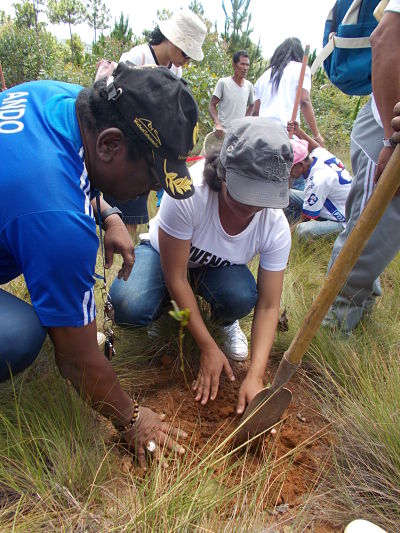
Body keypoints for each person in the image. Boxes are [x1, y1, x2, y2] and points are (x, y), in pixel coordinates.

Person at [0, 62, 199, 466]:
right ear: (109, 145)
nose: (149, 195)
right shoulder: (60, 225)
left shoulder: (60, 98)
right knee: (18, 335)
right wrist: (131, 417)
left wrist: (107, 214)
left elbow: (70, 168)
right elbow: (75, 360)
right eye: (150, 180)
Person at [109, 117, 292, 415]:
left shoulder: (275, 225)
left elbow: (270, 305)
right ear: (223, 171)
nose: (250, 209)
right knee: (127, 305)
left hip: (215, 271)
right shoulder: (187, 193)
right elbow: (176, 275)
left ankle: (223, 323)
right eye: (242, 193)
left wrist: (256, 376)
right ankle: (166, 313)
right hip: (164, 258)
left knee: (242, 296)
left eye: (261, 199)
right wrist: (207, 347)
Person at [323, 1, 400, 333]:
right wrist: (390, 140)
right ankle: (332, 327)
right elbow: (385, 37)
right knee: (366, 232)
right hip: (390, 127)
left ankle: (361, 304)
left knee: (375, 231)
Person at [104, 9, 207, 235]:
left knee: (135, 213)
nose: (186, 60)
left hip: (148, 153)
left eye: (190, 56)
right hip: (125, 148)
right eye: (185, 52)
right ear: (172, 38)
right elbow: (113, 102)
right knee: (120, 214)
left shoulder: (176, 71)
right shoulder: (137, 57)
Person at [286, 121, 353, 239]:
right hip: (329, 202)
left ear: (300, 164)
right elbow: (315, 146)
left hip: (344, 220)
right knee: (288, 194)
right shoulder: (319, 154)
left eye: (289, 168)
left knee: (302, 230)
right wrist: (298, 131)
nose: (288, 172)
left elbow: (305, 217)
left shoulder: (317, 180)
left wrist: (285, 236)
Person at [253, 38, 324, 148]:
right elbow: (304, 101)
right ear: (299, 53)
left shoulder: (263, 76)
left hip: (262, 135)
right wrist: (316, 135)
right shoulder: (302, 69)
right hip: (284, 135)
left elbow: (256, 112)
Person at [208, 50, 255, 140]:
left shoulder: (249, 86)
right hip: (222, 134)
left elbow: (252, 105)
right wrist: (217, 123)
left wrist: (245, 121)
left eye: (247, 65)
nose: (245, 68)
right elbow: (212, 105)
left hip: (239, 135)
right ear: (234, 65)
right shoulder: (223, 83)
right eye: (242, 64)